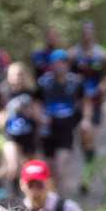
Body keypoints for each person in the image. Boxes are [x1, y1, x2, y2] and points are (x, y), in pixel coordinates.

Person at [68, 21, 106, 198]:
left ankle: (87, 176)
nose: (87, 35)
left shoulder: (102, 54)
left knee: (89, 138)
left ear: (93, 34)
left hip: (95, 102)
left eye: (90, 31)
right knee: (82, 141)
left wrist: (103, 85)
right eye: (84, 31)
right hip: (76, 103)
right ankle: (88, 169)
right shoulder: (72, 54)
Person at [35, 49, 85, 193]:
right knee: (50, 168)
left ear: (67, 64)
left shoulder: (75, 82)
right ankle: (52, 195)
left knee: (60, 165)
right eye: (56, 63)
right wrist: (40, 117)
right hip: (48, 129)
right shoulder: (43, 83)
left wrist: (84, 119)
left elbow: (84, 101)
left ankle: (58, 199)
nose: (59, 66)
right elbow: (36, 102)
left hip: (66, 128)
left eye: (62, 63)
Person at [0, 63, 43, 194]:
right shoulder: (4, 92)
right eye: (14, 75)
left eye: (20, 74)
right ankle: (13, 198)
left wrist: (30, 112)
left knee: (31, 170)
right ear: (9, 77)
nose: (17, 78)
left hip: (28, 135)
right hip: (11, 135)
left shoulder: (32, 92)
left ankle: (30, 197)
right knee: (13, 167)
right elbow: (0, 118)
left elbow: (39, 116)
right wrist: (6, 115)